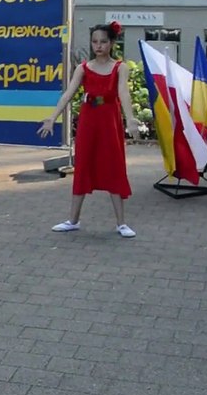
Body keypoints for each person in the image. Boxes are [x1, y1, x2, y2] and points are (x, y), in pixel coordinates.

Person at [38, 21, 142, 238]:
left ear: (111, 43)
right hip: (88, 120)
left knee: (114, 165)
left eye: (103, 41)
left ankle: (121, 223)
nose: (99, 46)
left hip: (109, 121)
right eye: (95, 42)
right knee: (83, 164)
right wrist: (53, 117)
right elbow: (68, 93)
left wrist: (131, 118)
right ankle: (73, 220)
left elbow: (123, 93)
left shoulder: (120, 67)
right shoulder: (83, 68)